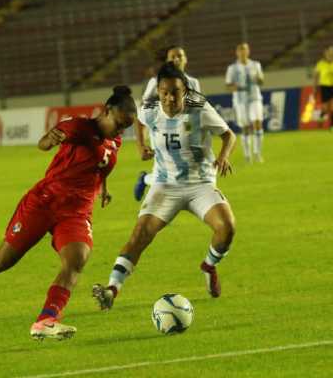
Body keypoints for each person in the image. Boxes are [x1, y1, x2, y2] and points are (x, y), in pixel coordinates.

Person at [0, 86, 137, 341]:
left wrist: (103, 188)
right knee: (3, 260)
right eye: (120, 123)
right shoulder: (79, 127)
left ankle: (46, 320)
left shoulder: (116, 141)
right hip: (44, 202)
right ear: (106, 111)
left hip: (76, 211)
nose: (121, 130)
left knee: (77, 259)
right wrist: (51, 139)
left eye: (126, 127)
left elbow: (100, 167)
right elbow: (43, 143)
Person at [92, 62, 236, 311]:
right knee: (139, 237)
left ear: (185, 91)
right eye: (165, 92)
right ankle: (111, 289)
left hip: (200, 183)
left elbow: (228, 135)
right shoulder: (150, 109)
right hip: (164, 185)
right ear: (158, 91)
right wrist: (141, 145)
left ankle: (208, 266)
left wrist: (224, 156)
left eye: (175, 92)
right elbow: (138, 120)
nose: (170, 98)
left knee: (227, 229)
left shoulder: (199, 108)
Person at [134, 45, 201, 201]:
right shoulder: (156, 82)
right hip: (162, 132)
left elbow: (193, 113)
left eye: (180, 56)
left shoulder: (193, 82)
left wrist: (192, 134)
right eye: (173, 57)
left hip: (183, 133)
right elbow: (144, 114)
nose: (177, 59)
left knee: (172, 175)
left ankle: (145, 180)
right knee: (167, 175)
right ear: (167, 61)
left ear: (186, 59)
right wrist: (141, 144)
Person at [226, 42, 265, 163]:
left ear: (248, 51)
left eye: (245, 50)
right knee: (246, 127)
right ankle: (247, 155)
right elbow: (228, 85)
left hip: (255, 98)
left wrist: (258, 79)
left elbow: (261, 81)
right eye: (240, 50)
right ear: (237, 52)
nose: (243, 52)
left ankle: (257, 153)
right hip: (240, 101)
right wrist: (235, 87)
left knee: (258, 123)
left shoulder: (255, 65)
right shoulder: (232, 68)